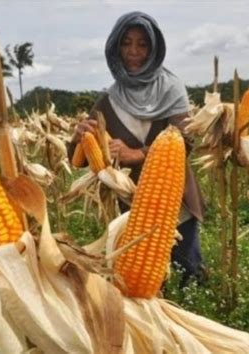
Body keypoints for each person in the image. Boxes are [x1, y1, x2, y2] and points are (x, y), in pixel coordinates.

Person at [68, 11, 206, 288]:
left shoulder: (172, 88)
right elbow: (80, 160)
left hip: (173, 198)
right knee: (143, 278)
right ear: (115, 48)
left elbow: (185, 139)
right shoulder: (109, 100)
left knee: (187, 271)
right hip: (131, 203)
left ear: (154, 48)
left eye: (142, 44)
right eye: (126, 43)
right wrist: (79, 137)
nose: (134, 51)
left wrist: (138, 154)